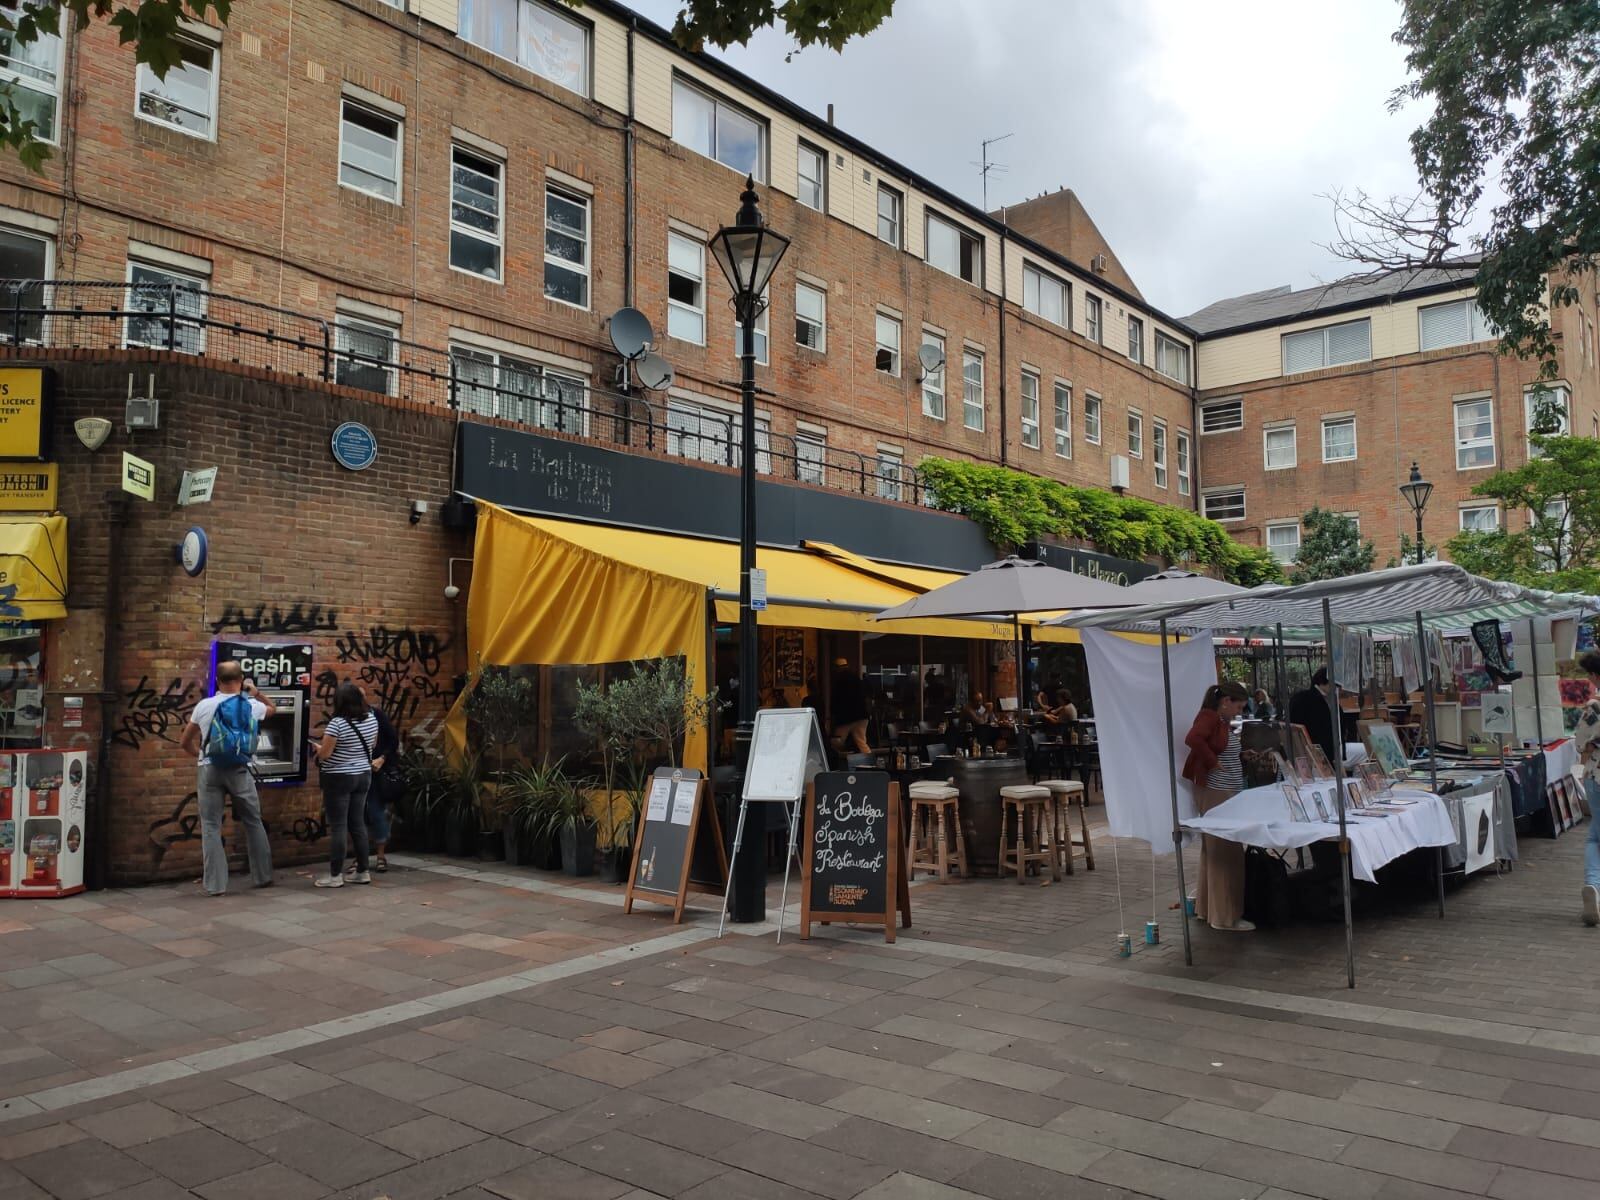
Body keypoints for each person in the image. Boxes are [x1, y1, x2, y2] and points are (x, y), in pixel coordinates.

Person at [179, 662, 276, 896]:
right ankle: (263, 876)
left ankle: (215, 885)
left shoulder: (204, 705)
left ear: (217, 680)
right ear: (241, 679)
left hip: (209, 769)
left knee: (211, 826)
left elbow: (185, 742)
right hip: (240, 769)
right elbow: (273, 709)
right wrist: (256, 692)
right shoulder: (251, 705)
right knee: (253, 821)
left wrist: (201, 756)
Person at [1182, 680, 1253, 932]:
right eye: (1239, 707)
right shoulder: (1210, 717)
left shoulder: (1218, 720)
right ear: (1226, 702)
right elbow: (1193, 738)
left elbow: (1215, 746)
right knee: (1226, 851)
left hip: (1222, 790)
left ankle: (1208, 909)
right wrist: (1213, 762)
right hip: (1217, 791)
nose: (1239, 713)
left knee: (1214, 851)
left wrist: (1238, 756)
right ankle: (1224, 916)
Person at [309, 681, 379, 888]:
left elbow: (326, 755)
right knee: (357, 823)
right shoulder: (372, 719)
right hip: (363, 775)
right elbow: (372, 745)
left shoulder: (337, 724)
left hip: (339, 778)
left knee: (339, 826)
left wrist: (317, 749)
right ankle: (363, 871)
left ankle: (335, 876)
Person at [1575, 651, 1600, 925]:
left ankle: (1593, 885)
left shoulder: (1594, 706)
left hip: (1597, 774)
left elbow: (1581, 743)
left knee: (1595, 836)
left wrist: (1592, 744)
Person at [363, 699, 401, 874]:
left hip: (376, 772)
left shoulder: (376, 715)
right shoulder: (344, 719)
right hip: (356, 772)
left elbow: (393, 740)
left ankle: (380, 855)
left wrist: (382, 758)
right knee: (357, 816)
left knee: (377, 812)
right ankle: (360, 857)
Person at [1288, 667, 1338, 766]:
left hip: (1300, 747)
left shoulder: (1299, 696)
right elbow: (1323, 729)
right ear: (1323, 682)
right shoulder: (1317, 700)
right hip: (1317, 748)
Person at [830, 657, 870, 756]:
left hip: (846, 717)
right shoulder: (856, 679)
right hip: (862, 715)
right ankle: (870, 763)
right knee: (861, 742)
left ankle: (836, 764)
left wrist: (834, 714)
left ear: (838, 668)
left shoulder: (839, 681)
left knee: (837, 742)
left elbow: (837, 700)